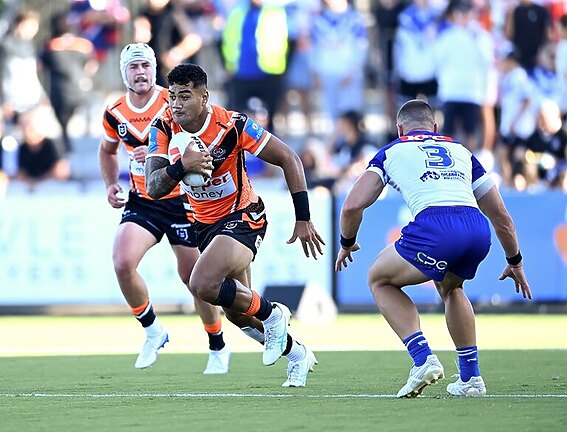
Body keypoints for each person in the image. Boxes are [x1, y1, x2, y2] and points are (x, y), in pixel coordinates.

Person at [335, 99, 532, 398]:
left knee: (379, 278)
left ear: (400, 129)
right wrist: (514, 260)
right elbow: (501, 217)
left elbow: (351, 206)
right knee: (451, 288)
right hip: (476, 229)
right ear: (436, 127)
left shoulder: (393, 150)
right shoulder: (462, 151)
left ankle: (422, 357)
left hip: (435, 226)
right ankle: (471, 378)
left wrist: (347, 242)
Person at [145, 63, 324, 386]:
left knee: (201, 283)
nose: (176, 104)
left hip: (244, 217)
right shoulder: (163, 127)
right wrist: (180, 166)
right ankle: (297, 354)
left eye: (185, 96)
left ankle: (274, 314)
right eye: (172, 96)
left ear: (204, 97)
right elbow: (154, 186)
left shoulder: (232, 125)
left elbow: (289, 158)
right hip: (205, 227)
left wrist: (303, 217)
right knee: (239, 313)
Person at [98, 43, 230, 374]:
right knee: (122, 262)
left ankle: (217, 345)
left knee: (193, 278)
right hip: (144, 200)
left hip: (182, 201)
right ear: (123, 72)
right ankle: (153, 330)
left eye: (145, 65)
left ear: (154, 69)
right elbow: (107, 151)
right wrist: (111, 185)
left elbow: (196, 143)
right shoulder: (114, 112)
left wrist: (158, 158)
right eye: (133, 67)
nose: (140, 72)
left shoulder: (173, 101)